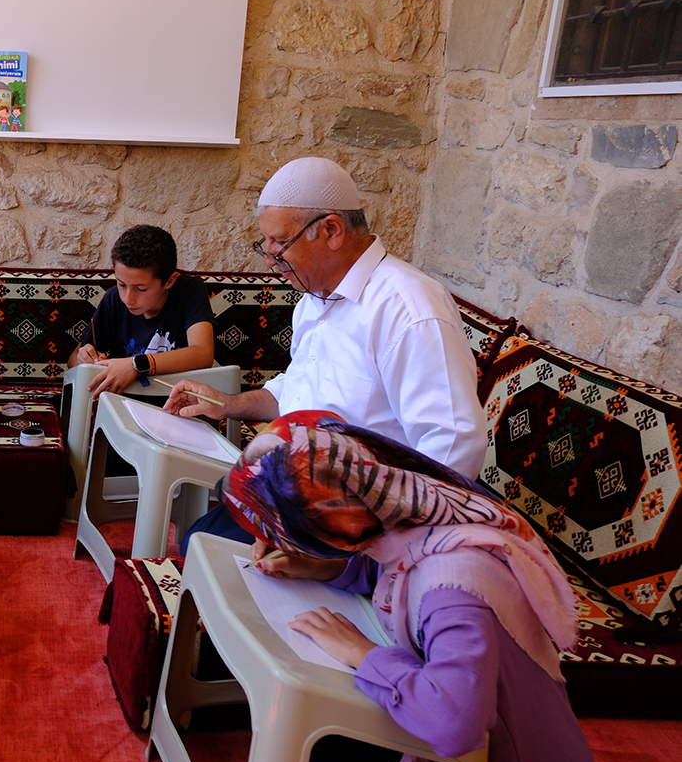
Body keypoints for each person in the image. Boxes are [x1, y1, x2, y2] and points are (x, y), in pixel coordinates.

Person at [227, 411, 613, 762]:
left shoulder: (452, 585)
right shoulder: (419, 516)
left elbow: (453, 722)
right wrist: (326, 571)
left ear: (337, 527)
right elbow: (392, 572)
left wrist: (363, 653)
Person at [165, 157, 485, 544]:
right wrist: (230, 404)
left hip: (363, 522)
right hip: (303, 493)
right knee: (200, 536)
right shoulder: (314, 299)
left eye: (281, 243)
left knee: (206, 545)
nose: (270, 259)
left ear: (331, 230)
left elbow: (453, 445)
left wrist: (371, 547)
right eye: (265, 243)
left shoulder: (408, 309)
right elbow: (298, 390)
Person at [68, 224, 216, 398]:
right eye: (121, 284)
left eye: (141, 288)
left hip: (179, 404)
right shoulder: (114, 299)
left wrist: (136, 365)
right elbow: (72, 361)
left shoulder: (189, 290)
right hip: (125, 406)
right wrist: (86, 361)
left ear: (169, 281)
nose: (128, 298)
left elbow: (203, 353)